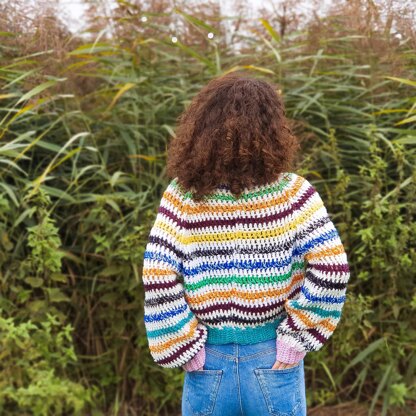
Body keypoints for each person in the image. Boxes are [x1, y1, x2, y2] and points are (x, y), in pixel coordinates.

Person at [141, 72, 351, 416]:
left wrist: (182, 342)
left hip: (207, 361)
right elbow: (332, 269)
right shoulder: (294, 193)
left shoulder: (182, 196)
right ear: (272, 129)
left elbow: (157, 271)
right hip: (274, 359)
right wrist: (298, 336)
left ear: (203, 127)